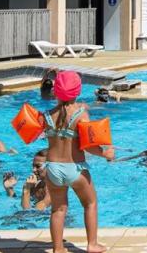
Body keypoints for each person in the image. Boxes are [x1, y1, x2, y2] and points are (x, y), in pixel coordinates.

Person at [43, 71, 114, 253]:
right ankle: (92, 244)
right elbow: (89, 146)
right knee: (90, 203)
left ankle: (57, 249)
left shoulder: (47, 115)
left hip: (52, 167)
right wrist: (105, 153)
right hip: (74, 167)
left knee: (58, 210)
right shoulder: (81, 115)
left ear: (56, 91)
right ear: (77, 91)